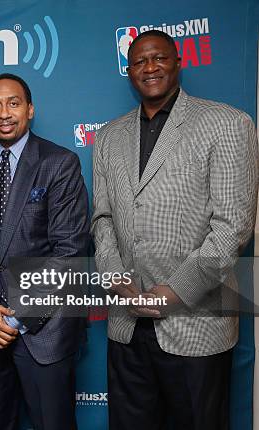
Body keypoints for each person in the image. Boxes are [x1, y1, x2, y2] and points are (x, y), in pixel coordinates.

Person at [91, 30, 258, 430]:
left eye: (159, 58)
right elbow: (103, 218)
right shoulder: (108, 135)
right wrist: (114, 275)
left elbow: (233, 226)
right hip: (127, 323)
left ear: (178, 61)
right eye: (139, 62)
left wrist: (175, 290)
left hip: (196, 324)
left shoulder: (227, 123)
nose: (149, 68)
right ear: (128, 71)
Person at [0, 73, 90, 430]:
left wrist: (14, 320)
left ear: (30, 109)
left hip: (45, 330)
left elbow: (70, 251)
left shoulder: (59, 163)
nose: (4, 113)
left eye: (13, 103)